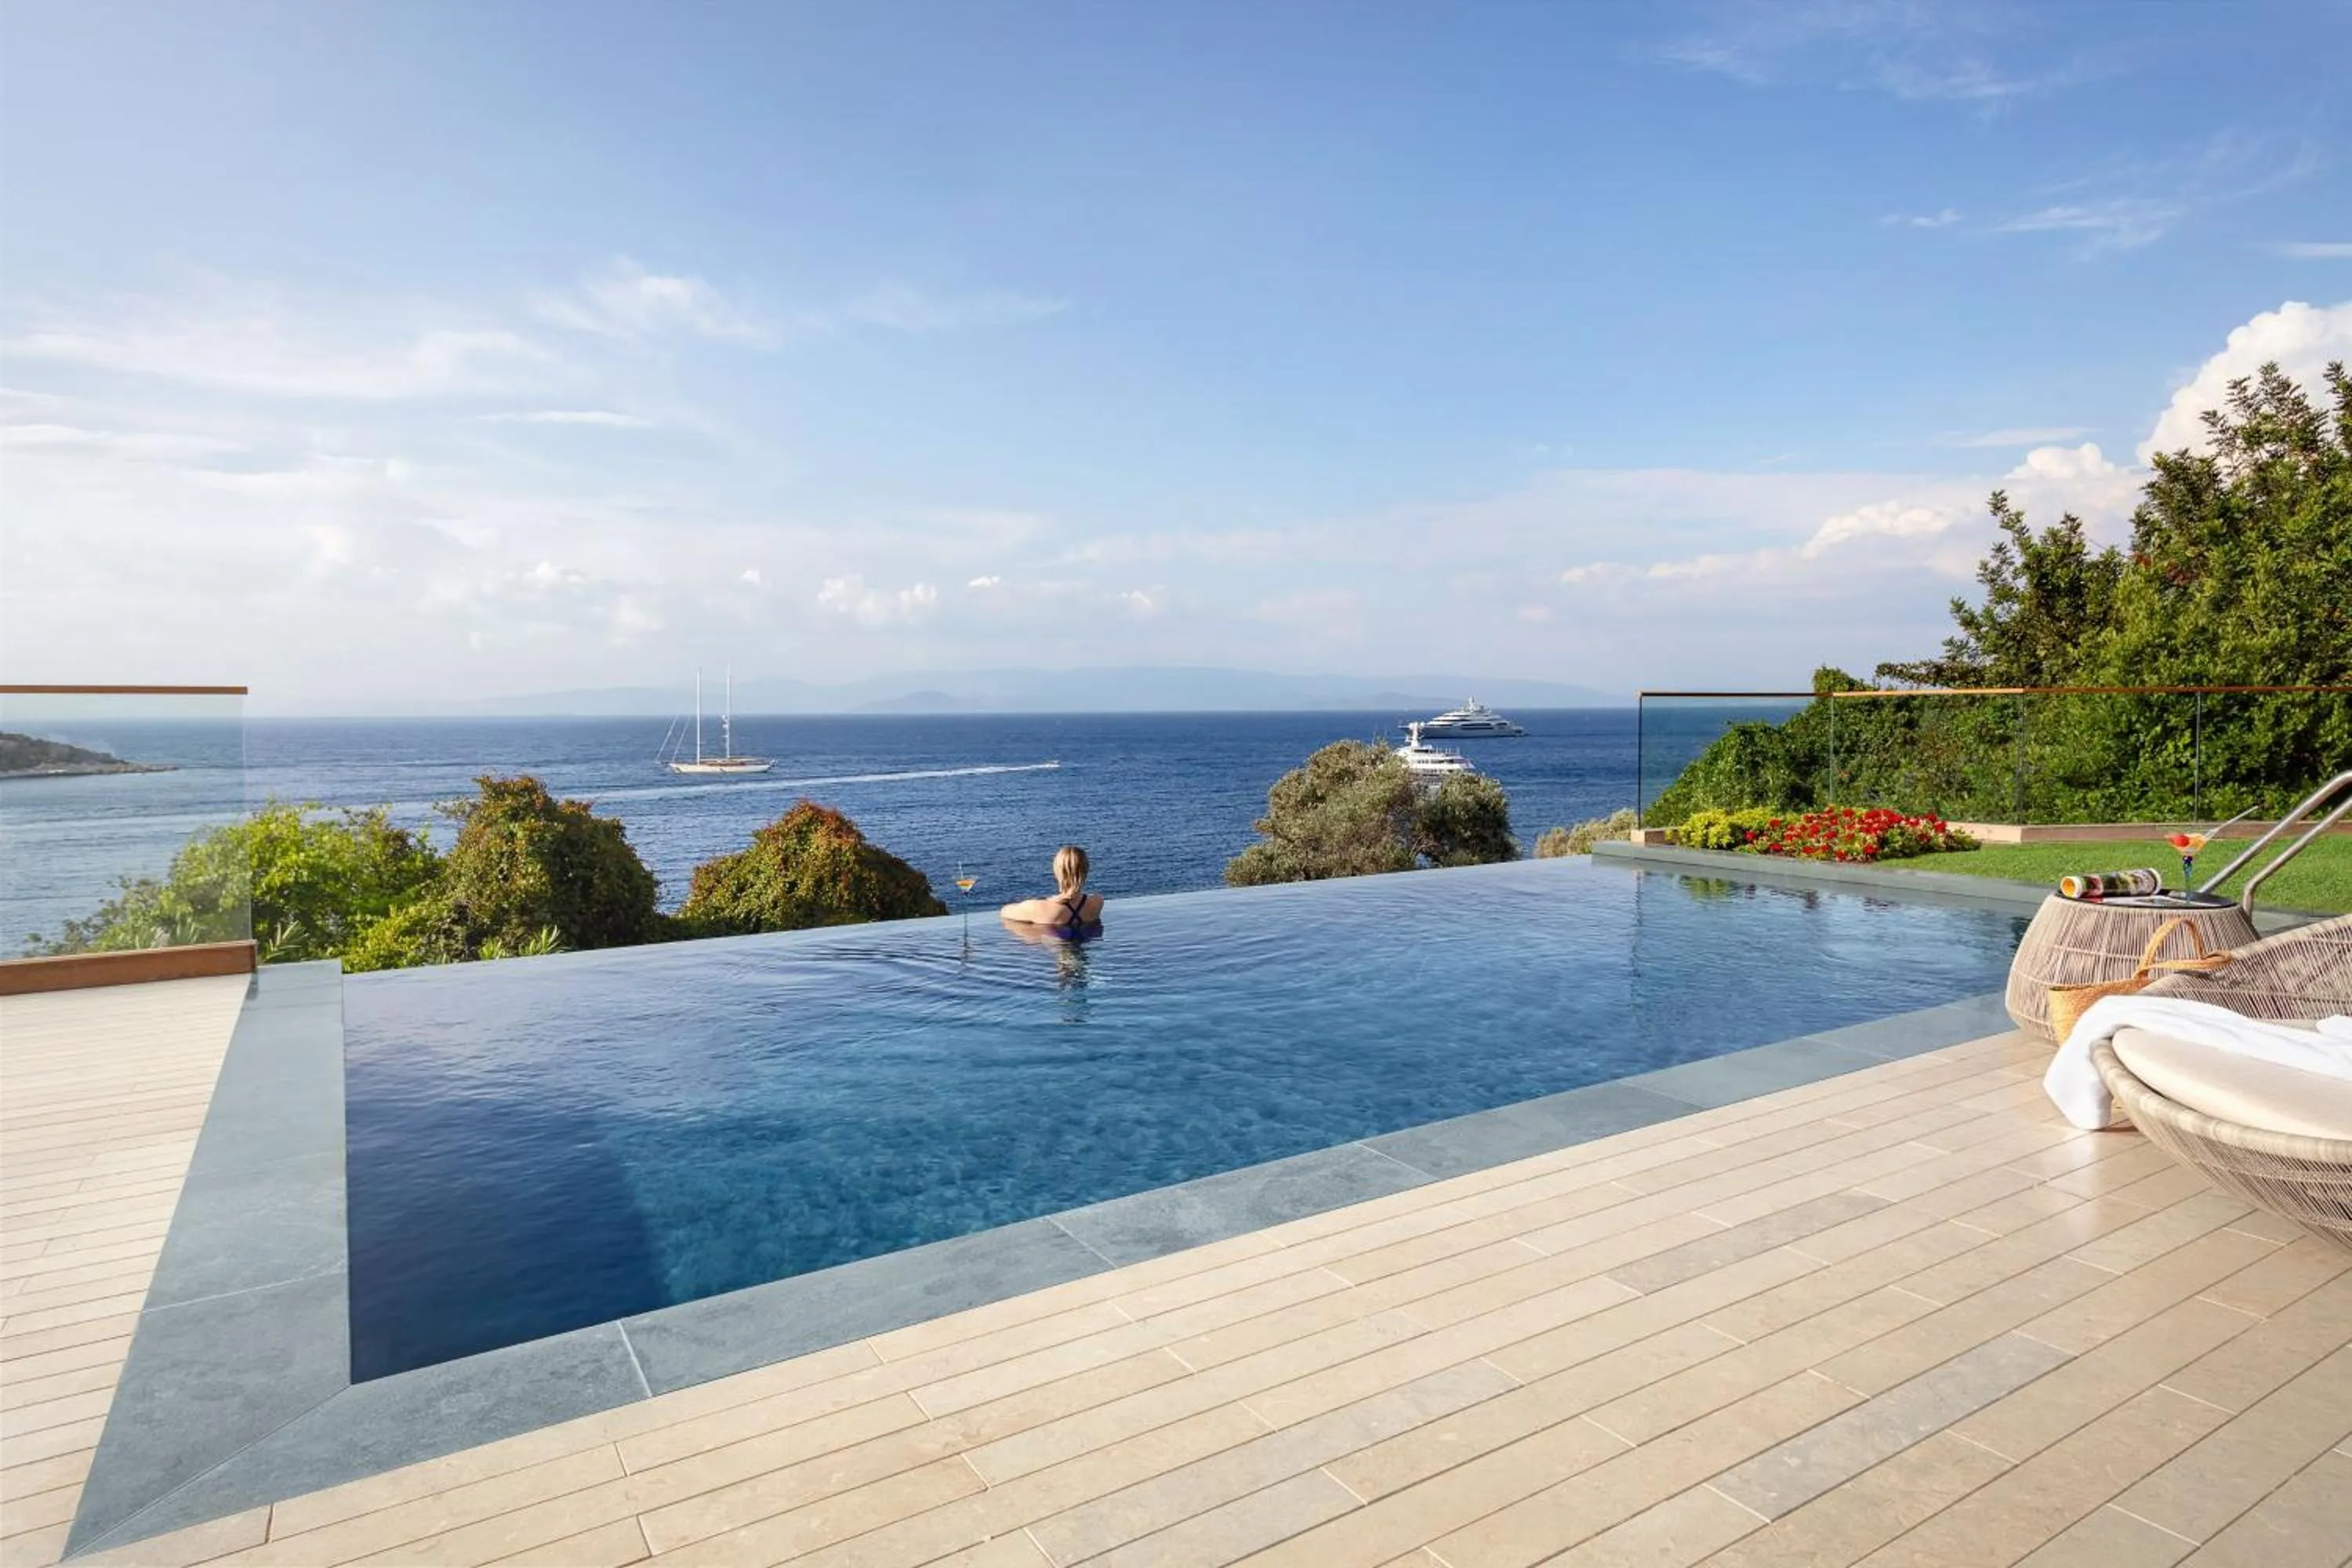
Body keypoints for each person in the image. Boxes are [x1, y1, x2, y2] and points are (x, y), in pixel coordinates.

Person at [1000, 844, 1102, 932]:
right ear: (1086, 870)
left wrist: (1047, 901)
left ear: (1057, 872)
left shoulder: (1038, 908)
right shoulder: (1097, 902)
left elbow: (1004, 912)